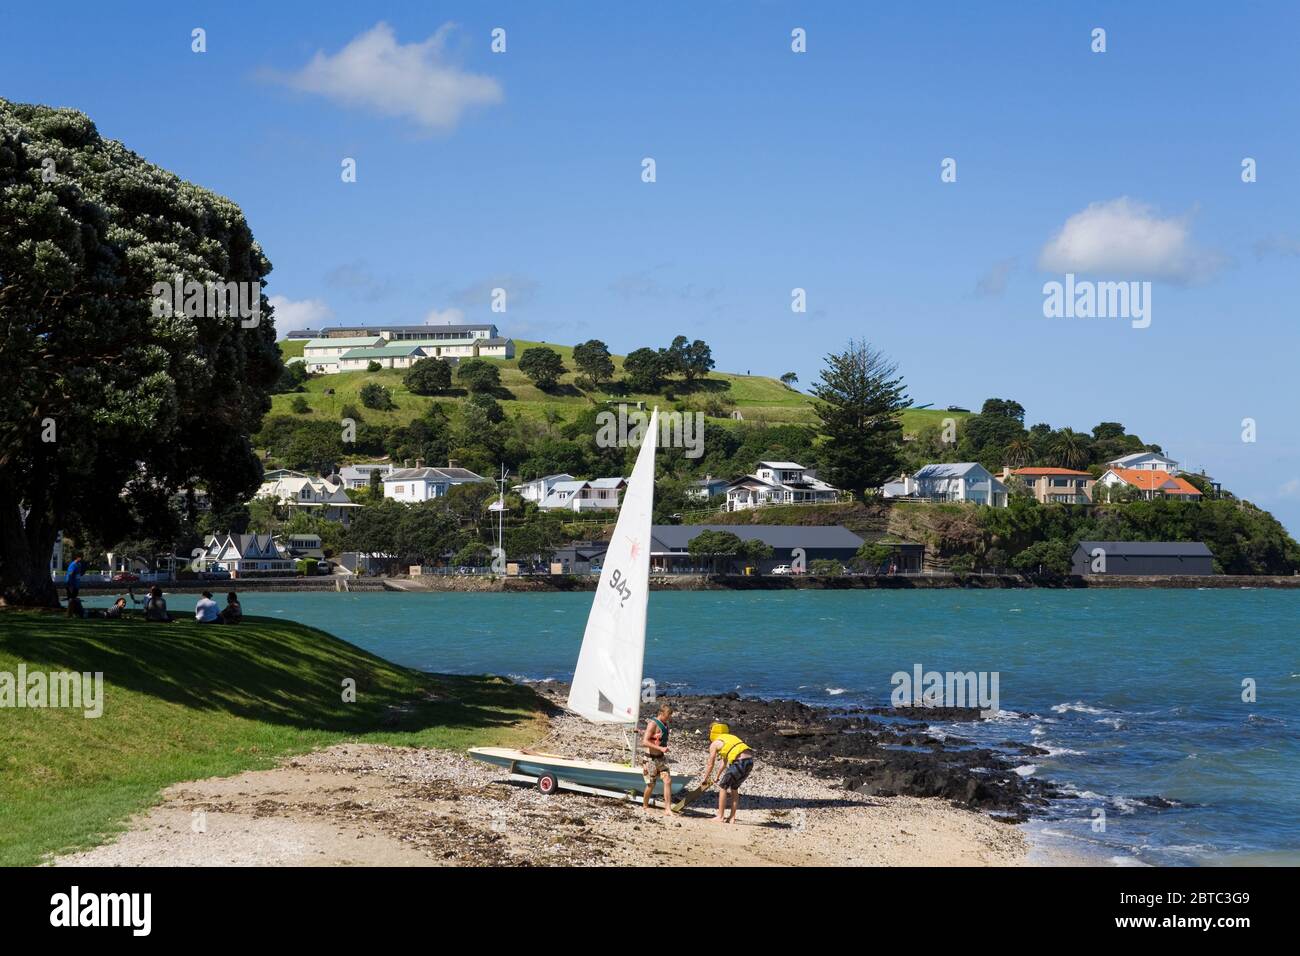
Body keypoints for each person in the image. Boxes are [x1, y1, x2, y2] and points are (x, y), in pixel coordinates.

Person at [699, 722, 755, 824]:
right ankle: (732, 818)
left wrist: (705, 779)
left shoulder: (715, 743)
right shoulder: (730, 738)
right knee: (734, 788)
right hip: (750, 762)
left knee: (723, 787)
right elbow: (724, 763)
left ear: (712, 732)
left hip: (739, 762)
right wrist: (717, 776)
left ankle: (720, 816)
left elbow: (710, 764)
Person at [640, 702, 674, 815]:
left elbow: (654, 737)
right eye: (667, 715)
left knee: (668, 780)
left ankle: (667, 809)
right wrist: (660, 747)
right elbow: (644, 742)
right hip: (650, 759)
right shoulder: (653, 724)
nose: (669, 718)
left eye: (670, 716)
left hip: (661, 759)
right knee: (651, 784)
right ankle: (645, 805)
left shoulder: (664, 724)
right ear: (661, 713)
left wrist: (658, 742)